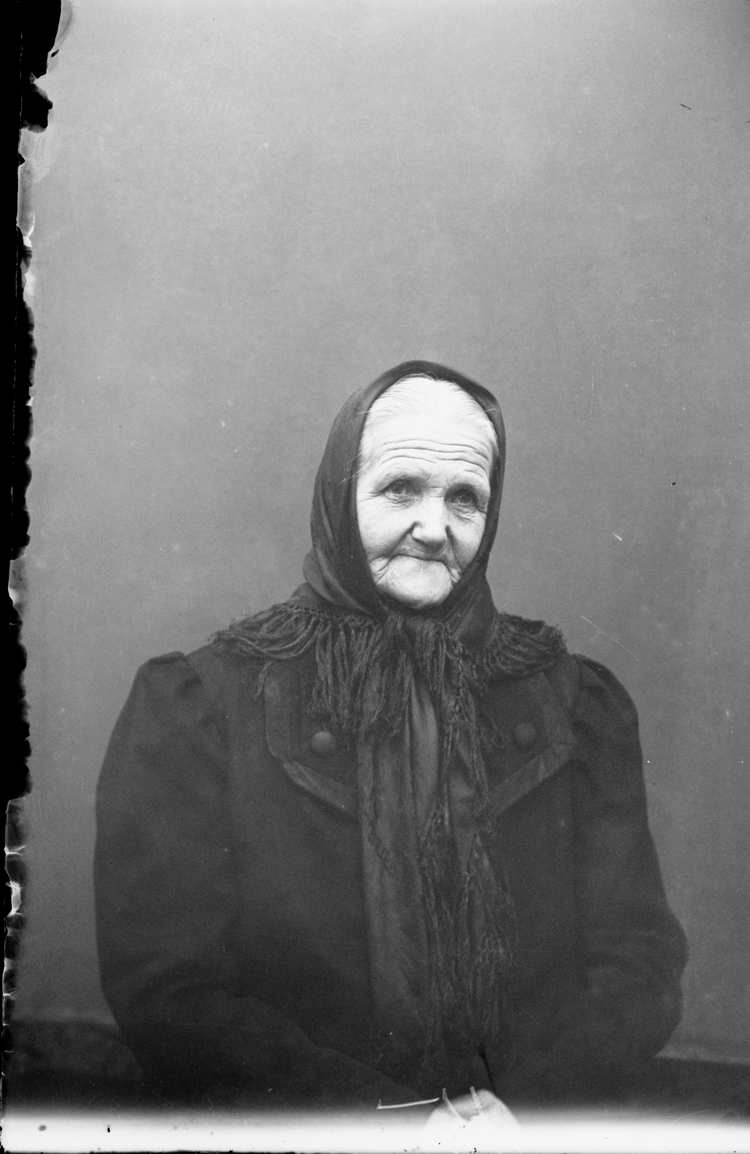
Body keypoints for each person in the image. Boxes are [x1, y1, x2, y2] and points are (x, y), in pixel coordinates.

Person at [94, 361, 687, 1120]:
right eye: (401, 488)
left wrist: (525, 1113)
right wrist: (390, 1127)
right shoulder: (203, 705)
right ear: (339, 495)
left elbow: (638, 967)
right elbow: (170, 994)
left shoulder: (575, 704)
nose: (435, 529)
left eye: (465, 498)